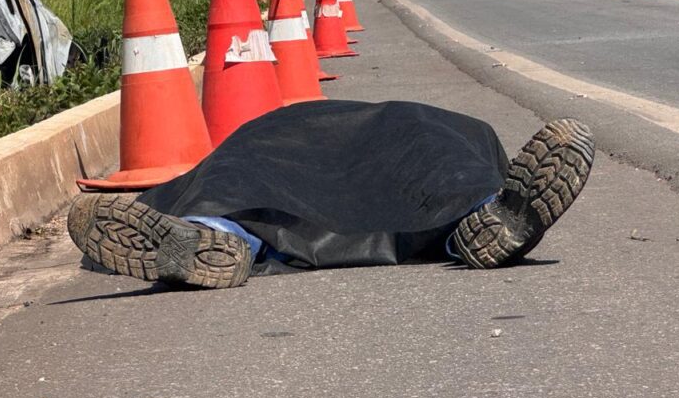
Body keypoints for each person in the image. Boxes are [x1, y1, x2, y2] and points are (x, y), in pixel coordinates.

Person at [67, 101, 595, 289]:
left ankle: (214, 236)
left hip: (276, 153)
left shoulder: (277, 126)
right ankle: (479, 219)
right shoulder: (429, 123)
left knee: (242, 175)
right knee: (440, 161)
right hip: (415, 152)